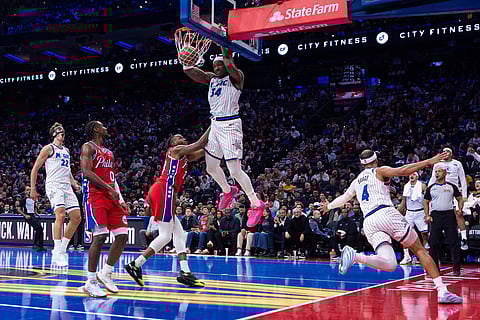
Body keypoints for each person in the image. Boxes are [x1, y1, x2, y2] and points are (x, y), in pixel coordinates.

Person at [320, 150, 462, 304]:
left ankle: (355, 257)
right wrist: (428, 162)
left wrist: (329, 207)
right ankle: (442, 291)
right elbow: (403, 170)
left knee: (390, 264)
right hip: (385, 213)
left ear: (362, 164)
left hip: (369, 221)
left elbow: (345, 197)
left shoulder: (357, 181)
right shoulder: (379, 170)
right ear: (375, 161)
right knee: (420, 250)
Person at [182, 46, 264, 227]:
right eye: (215, 65)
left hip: (230, 124)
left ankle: (256, 204)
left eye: (220, 64)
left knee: (234, 170)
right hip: (215, 124)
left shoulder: (236, 78)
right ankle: (228, 191)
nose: (218, 67)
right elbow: (197, 74)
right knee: (211, 167)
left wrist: (224, 45)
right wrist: (186, 65)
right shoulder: (212, 79)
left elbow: (229, 63)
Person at [124, 129, 210, 288]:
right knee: (165, 236)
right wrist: (215, 123)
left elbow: (203, 150)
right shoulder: (175, 151)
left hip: (168, 192)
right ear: (172, 144)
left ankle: (185, 272)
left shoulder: (185, 156)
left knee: (179, 233)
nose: (183, 137)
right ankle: (135, 265)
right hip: (163, 189)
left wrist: (220, 143)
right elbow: (199, 143)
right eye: (179, 137)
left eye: (184, 136)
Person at [80, 121, 129, 298]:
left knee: (123, 235)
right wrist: (108, 189)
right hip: (96, 196)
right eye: (102, 126)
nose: (106, 128)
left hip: (111, 196)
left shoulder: (109, 152)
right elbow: (86, 172)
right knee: (100, 236)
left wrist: (120, 197)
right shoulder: (88, 147)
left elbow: (112, 178)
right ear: (95, 129)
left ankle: (106, 272)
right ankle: (90, 282)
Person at [30, 122, 81, 267]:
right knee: (60, 214)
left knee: (77, 218)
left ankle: (62, 250)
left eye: (63, 131)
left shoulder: (66, 150)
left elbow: (68, 170)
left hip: (66, 186)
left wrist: (74, 183)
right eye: (60, 131)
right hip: (54, 185)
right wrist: (33, 188)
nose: (62, 133)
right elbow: (35, 169)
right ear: (54, 133)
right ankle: (56, 250)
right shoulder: (48, 148)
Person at [424, 165, 463, 276]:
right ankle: (434, 268)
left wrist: (460, 209)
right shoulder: (431, 187)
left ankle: (456, 268)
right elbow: (426, 201)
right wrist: (427, 215)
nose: (437, 173)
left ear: (445, 173)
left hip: (449, 215)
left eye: (439, 171)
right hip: (436, 215)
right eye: (436, 172)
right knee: (433, 243)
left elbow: (459, 198)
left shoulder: (451, 186)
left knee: (453, 242)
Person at [428, 147, 468, 250]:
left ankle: (464, 238)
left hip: (453, 191)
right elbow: (433, 178)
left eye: (447, 152)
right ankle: (439, 237)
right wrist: (428, 192)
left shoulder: (457, 163)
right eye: (444, 152)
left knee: (459, 214)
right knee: (437, 214)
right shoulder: (437, 164)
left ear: (451, 154)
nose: (445, 153)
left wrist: (464, 195)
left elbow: (462, 179)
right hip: (439, 191)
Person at [398, 172, 428, 264]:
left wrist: (428, 213)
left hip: (420, 212)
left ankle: (426, 255)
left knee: (424, 234)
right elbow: (404, 200)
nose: (411, 176)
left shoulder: (422, 186)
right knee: (404, 234)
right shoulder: (406, 186)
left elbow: (427, 200)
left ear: (417, 176)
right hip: (409, 212)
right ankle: (406, 256)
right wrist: (398, 211)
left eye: (414, 175)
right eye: (410, 174)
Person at [18, 187, 46, 251]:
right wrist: (25, 215)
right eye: (28, 190)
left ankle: (41, 245)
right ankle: (35, 244)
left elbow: (34, 207)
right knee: (39, 228)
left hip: (33, 215)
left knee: (40, 229)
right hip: (28, 216)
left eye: (30, 190)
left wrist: (37, 213)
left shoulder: (33, 199)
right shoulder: (24, 200)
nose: (29, 191)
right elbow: (19, 209)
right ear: (25, 192)